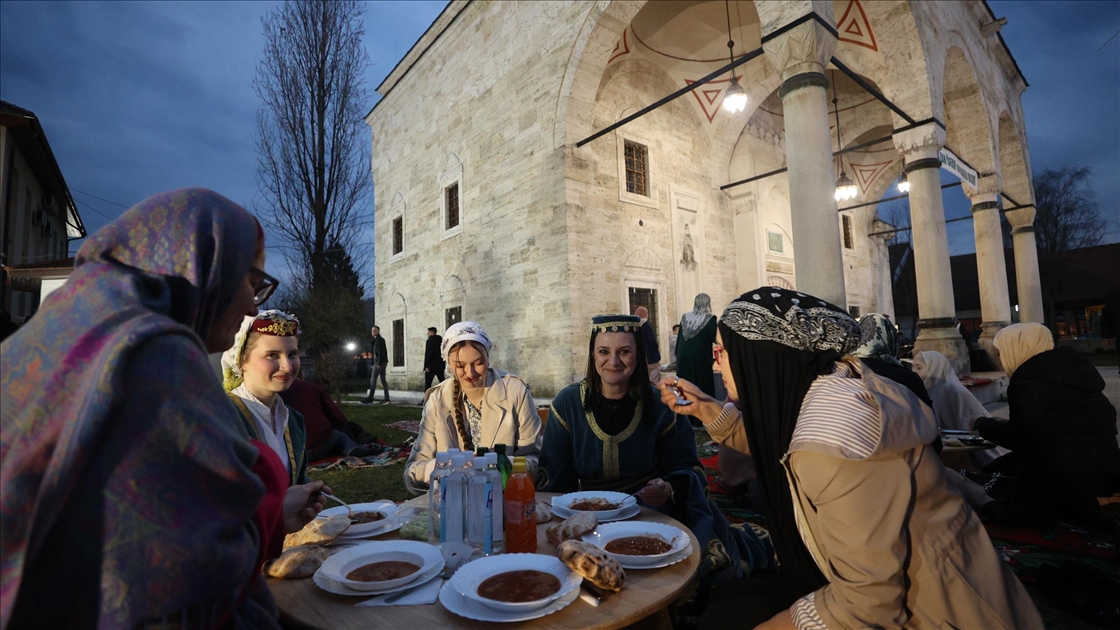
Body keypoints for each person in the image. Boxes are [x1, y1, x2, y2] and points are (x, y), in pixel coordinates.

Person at [0, 188, 327, 628]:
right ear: (206, 265)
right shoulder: (152, 354)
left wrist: (270, 511)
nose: (253, 304)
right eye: (251, 283)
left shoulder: (73, 329)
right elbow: (192, 576)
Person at [660, 287, 1041, 630]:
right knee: (731, 603)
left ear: (760, 355)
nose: (714, 366)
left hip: (933, 612)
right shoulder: (827, 389)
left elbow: (869, 602)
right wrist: (707, 410)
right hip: (902, 590)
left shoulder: (836, 437)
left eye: (722, 353)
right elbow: (779, 442)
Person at [539, 314, 773, 584]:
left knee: (694, 577)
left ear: (638, 356)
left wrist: (669, 488)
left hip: (653, 515)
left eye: (624, 352)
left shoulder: (661, 404)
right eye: (604, 351)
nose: (613, 362)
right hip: (590, 521)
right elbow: (555, 485)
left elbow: (691, 470)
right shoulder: (567, 404)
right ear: (593, 355)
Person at [977, 323, 1120, 525]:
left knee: (993, 477)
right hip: (1107, 466)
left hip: (1066, 475)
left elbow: (1020, 439)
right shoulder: (1074, 372)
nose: (1000, 359)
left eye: (1002, 352)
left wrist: (983, 425)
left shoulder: (1028, 381)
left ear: (1017, 348)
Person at [403, 321, 541, 494]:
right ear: (449, 363)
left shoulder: (515, 392)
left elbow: (536, 461)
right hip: (454, 505)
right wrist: (444, 467)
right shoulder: (437, 400)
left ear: (488, 358)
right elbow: (412, 474)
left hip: (505, 501)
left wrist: (497, 465)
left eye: (478, 363)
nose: (470, 373)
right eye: (460, 366)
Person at [281, 377, 381, 461]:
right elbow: (338, 417)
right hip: (316, 445)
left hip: (287, 451)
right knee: (337, 434)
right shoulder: (313, 388)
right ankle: (352, 449)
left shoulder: (273, 394)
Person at [912, 350, 989, 432]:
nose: (913, 371)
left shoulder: (954, 391)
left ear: (935, 367)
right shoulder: (926, 389)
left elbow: (967, 422)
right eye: (912, 367)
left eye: (919, 367)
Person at [675, 293, 718, 397]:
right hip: (700, 360)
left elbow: (679, 340)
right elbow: (716, 338)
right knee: (701, 392)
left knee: (684, 391)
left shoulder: (685, 317)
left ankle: (683, 412)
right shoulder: (710, 319)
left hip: (682, 359)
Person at [361, 325, 390, 404]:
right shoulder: (376, 340)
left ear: (378, 331)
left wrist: (378, 363)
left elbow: (381, 352)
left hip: (379, 362)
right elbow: (375, 353)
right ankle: (387, 398)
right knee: (383, 380)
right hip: (380, 362)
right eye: (372, 330)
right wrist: (373, 363)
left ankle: (370, 397)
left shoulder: (379, 340)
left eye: (374, 330)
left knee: (373, 380)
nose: (373, 332)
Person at [634, 305, 661, 383]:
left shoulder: (635, 326)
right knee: (654, 374)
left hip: (641, 357)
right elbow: (651, 341)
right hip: (651, 357)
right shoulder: (646, 325)